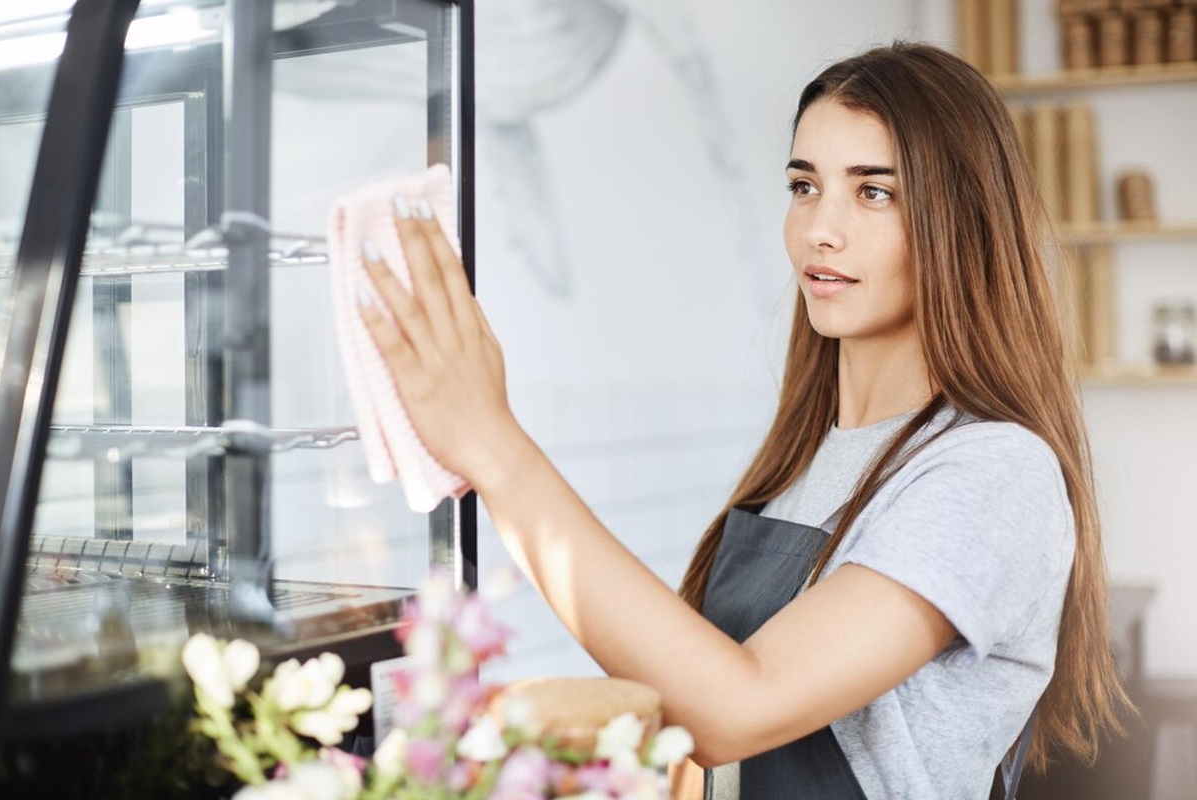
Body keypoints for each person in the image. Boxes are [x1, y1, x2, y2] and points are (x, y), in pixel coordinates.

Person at [357, 41, 1129, 800]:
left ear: (965, 224)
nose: (820, 229)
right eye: (804, 185)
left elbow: (736, 706)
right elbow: (699, 731)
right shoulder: (804, 461)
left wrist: (493, 445)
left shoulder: (994, 473)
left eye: (874, 192)